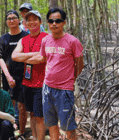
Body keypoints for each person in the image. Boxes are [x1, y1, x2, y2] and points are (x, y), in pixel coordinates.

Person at [40, 8, 83, 140]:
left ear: (64, 22)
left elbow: (79, 63)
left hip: (64, 90)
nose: (54, 24)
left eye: (58, 21)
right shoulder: (45, 41)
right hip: (47, 88)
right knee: (51, 124)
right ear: (47, 22)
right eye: (51, 21)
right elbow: (45, 59)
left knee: (68, 127)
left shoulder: (73, 41)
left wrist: (70, 79)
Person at [12, 10, 48, 140]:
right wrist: (34, 54)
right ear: (25, 23)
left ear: (40, 22)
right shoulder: (23, 40)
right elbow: (14, 56)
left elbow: (43, 58)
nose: (31, 22)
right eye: (29, 20)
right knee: (32, 114)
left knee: (39, 116)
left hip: (42, 83)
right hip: (27, 83)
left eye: (35, 19)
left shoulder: (46, 38)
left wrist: (25, 57)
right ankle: (34, 136)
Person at [0, 10, 29, 133]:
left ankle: (21, 132)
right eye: (9, 18)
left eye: (14, 18)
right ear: (6, 22)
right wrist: (8, 76)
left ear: (18, 20)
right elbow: (0, 58)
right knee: (10, 104)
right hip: (8, 75)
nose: (12, 20)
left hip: (24, 76)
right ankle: (9, 131)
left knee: (22, 106)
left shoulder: (26, 36)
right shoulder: (4, 38)